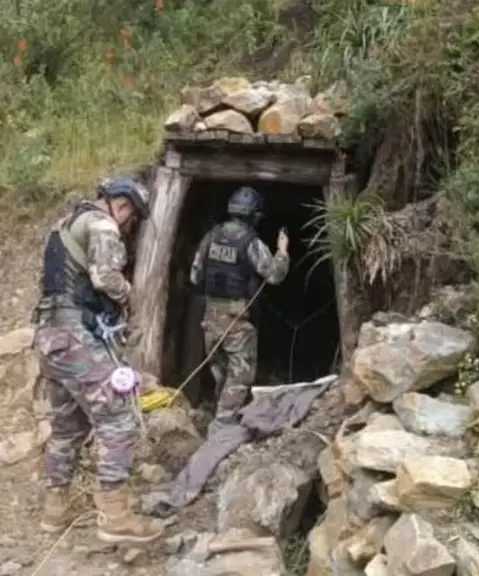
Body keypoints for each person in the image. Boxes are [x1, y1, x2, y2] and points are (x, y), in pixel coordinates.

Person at [32, 175, 166, 543]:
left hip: (49, 336)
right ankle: (116, 516)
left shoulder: (63, 226)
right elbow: (105, 276)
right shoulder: (103, 225)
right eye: (131, 219)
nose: (128, 226)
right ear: (122, 206)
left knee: (68, 427)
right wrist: (130, 294)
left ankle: (54, 510)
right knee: (119, 416)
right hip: (75, 336)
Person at [189, 186, 289, 435]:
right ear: (254, 215)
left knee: (222, 375)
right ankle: (221, 429)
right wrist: (282, 251)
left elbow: (194, 275)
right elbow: (274, 275)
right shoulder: (250, 242)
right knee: (239, 377)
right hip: (236, 322)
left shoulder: (211, 236)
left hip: (210, 319)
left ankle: (223, 417)